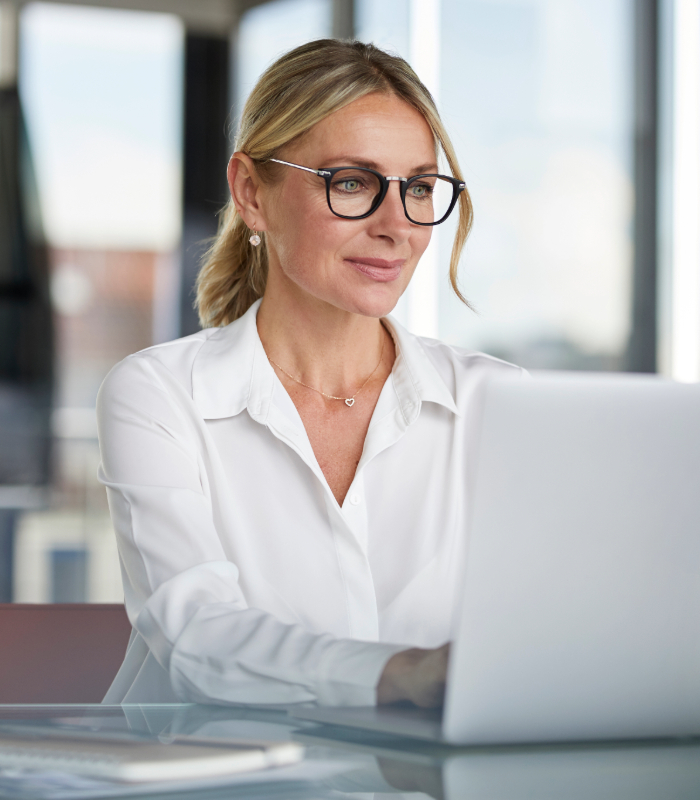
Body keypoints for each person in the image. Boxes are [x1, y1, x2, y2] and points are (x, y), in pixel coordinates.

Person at [97, 39, 524, 707]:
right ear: (251, 194)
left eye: (417, 187)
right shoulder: (159, 395)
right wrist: (396, 674)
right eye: (352, 182)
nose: (397, 226)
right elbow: (197, 636)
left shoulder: (496, 402)